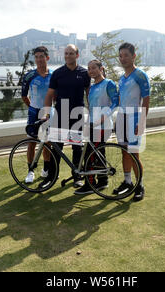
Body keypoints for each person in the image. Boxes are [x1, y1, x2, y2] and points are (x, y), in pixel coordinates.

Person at [40, 44, 91, 190]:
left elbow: (89, 94)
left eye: (71, 53)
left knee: (77, 148)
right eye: (66, 53)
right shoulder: (57, 73)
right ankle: (51, 177)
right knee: (56, 147)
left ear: (77, 55)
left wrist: (93, 111)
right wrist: (46, 113)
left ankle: (77, 177)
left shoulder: (84, 73)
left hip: (77, 116)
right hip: (60, 114)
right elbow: (49, 95)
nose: (68, 56)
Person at [74, 59, 119, 195]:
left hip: (103, 126)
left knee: (90, 155)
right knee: (98, 154)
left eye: (94, 68)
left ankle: (90, 184)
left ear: (101, 69)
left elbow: (116, 101)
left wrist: (104, 117)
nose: (91, 71)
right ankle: (103, 181)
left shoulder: (108, 83)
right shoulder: (92, 87)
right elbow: (92, 107)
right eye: (89, 68)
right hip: (92, 125)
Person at [113, 42, 150, 202]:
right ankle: (127, 182)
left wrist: (141, 122)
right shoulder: (122, 78)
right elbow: (121, 100)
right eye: (120, 56)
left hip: (135, 117)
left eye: (126, 55)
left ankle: (139, 185)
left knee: (134, 153)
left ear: (133, 56)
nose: (123, 59)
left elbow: (146, 100)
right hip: (121, 117)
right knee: (124, 151)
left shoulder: (140, 75)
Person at [21, 46, 52, 184]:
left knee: (47, 143)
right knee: (32, 143)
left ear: (47, 58)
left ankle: (46, 170)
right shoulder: (29, 76)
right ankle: (31, 170)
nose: (39, 59)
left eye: (42, 56)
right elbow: (24, 96)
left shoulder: (53, 75)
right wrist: (32, 108)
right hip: (34, 112)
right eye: (37, 57)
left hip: (48, 113)